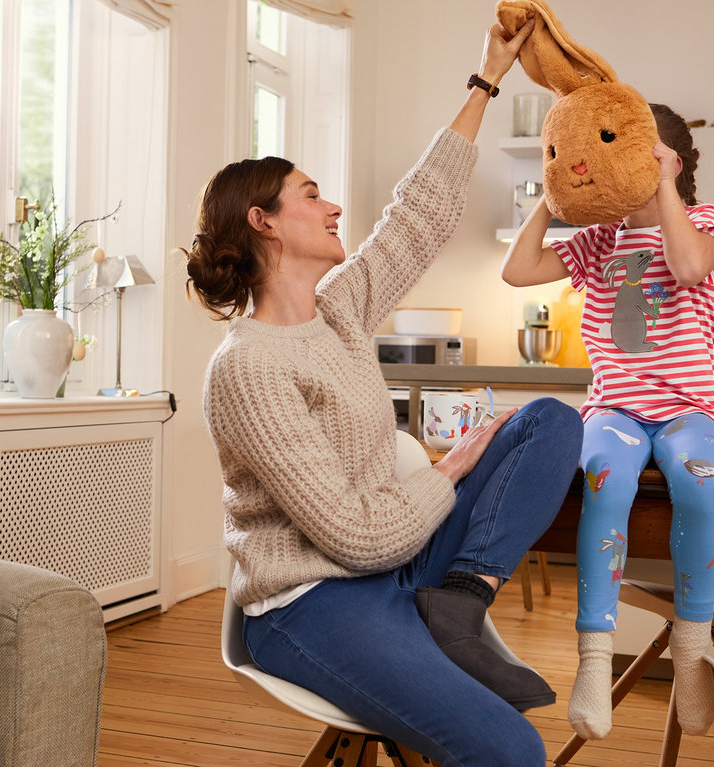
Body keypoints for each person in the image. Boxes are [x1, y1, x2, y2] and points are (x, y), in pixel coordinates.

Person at [185, 19, 584, 767]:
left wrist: (487, 79)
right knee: (511, 748)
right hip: (312, 602)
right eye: (312, 196)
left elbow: (418, 215)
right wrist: (448, 468)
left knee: (550, 422)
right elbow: (354, 537)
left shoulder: (338, 308)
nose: (333, 207)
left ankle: (458, 600)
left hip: (403, 569)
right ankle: (442, 615)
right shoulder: (248, 368)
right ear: (263, 222)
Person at [501, 103, 714, 741]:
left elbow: (689, 268)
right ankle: (595, 659)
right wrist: (552, 197)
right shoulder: (597, 238)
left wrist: (663, 185)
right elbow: (517, 270)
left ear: (665, 162)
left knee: (700, 486)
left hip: (688, 411)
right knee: (606, 483)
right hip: (615, 410)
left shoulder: (705, 222)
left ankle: (691, 648)